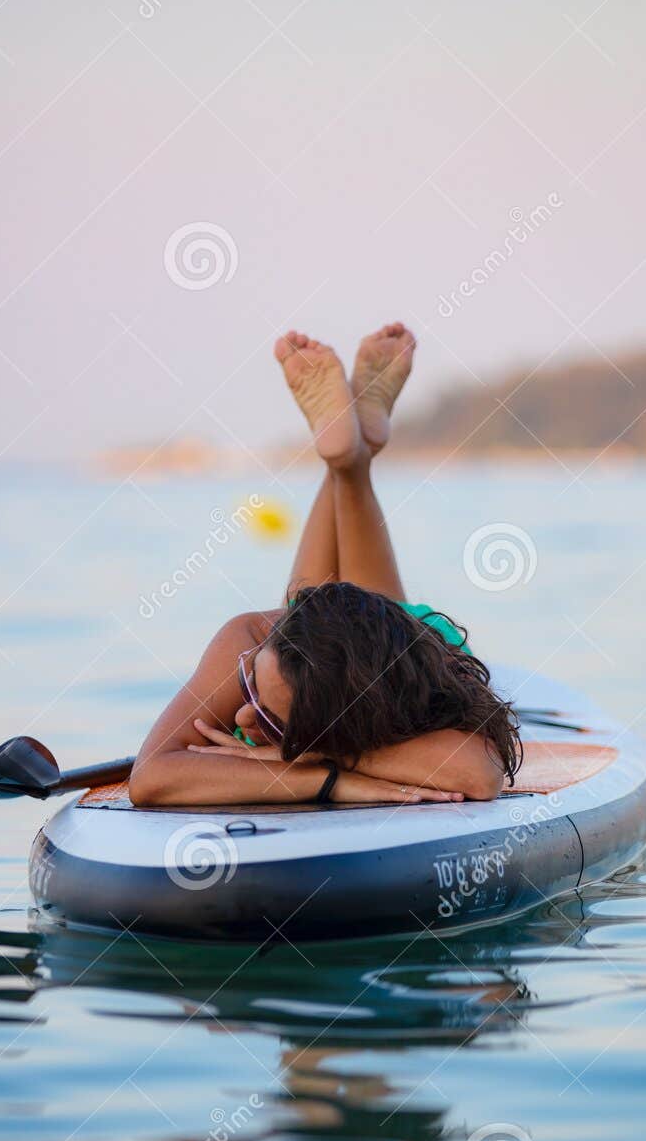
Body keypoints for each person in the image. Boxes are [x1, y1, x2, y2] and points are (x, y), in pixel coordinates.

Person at [129, 324, 521, 809]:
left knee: (344, 657)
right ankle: (349, 460)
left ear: (341, 733)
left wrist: (302, 758)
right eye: (251, 688)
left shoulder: (431, 687)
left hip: (388, 665)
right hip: (352, 643)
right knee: (318, 622)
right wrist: (325, 780)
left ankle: (349, 457)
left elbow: (478, 775)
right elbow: (150, 780)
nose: (245, 715)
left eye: (274, 722)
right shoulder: (251, 641)